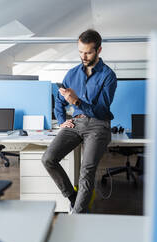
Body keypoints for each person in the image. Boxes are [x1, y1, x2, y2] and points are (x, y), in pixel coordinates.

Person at [42, 29, 117, 213]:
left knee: (86, 171)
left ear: (98, 50)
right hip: (75, 123)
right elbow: (59, 101)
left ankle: (78, 216)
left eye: (88, 52)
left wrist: (76, 101)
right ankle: (73, 198)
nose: (83, 56)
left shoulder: (108, 76)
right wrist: (61, 121)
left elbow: (101, 110)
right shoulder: (72, 74)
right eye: (80, 52)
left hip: (98, 125)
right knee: (48, 159)